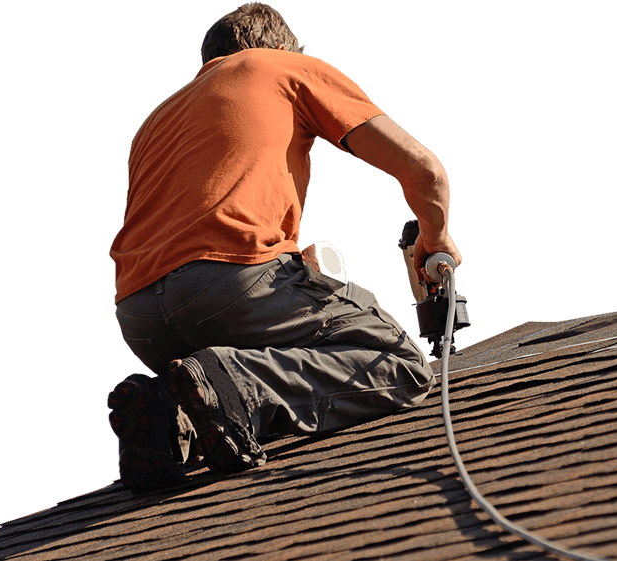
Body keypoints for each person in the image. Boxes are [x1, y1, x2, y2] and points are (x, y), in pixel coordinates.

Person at [106, 2, 461, 493]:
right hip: (231, 282)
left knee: (210, 384)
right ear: (277, 47)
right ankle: (239, 386)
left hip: (140, 316)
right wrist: (435, 235)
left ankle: (166, 418)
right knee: (399, 364)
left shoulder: (156, 120)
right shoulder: (280, 67)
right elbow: (425, 172)